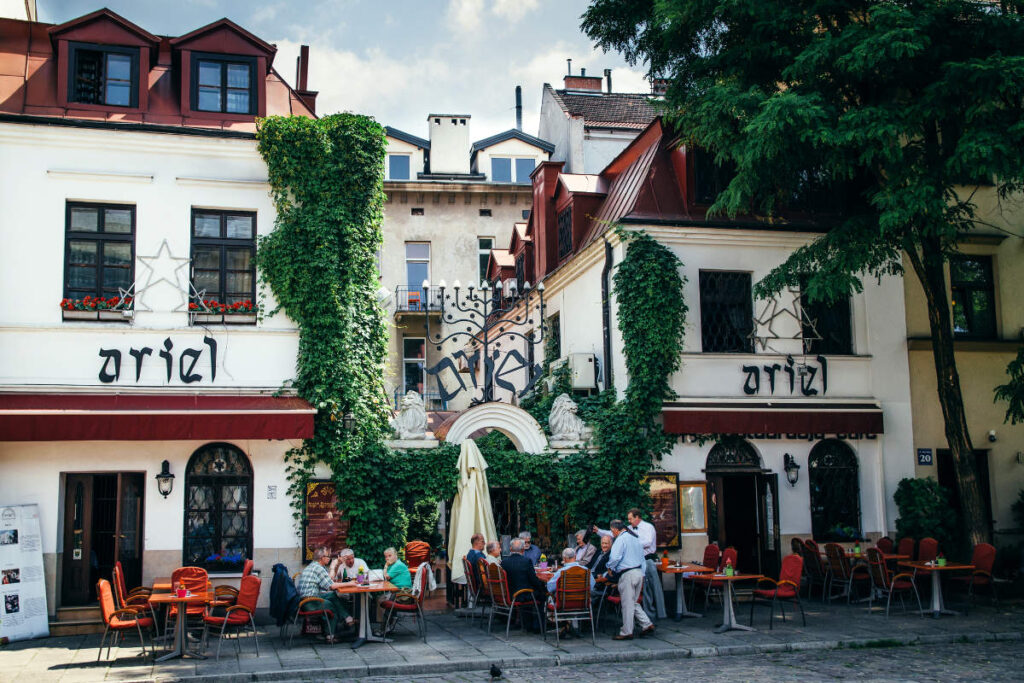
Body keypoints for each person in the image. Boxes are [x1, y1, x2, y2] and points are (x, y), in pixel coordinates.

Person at [605, 519, 654, 640]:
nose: (612, 533)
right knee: (633, 602)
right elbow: (642, 558)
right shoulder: (635, 538)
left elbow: (615, 557)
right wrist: (642, 573)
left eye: (612, 531)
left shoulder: (620, 539)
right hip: (638, 572)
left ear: (615, 529)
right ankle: (646, 624)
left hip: (627, 573)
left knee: (627, 604)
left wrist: (610, 567)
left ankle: (626, 632)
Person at [296, 547, 356, 641]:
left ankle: (348, 618)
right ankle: (330, 635)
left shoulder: (315, 566)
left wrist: (336, 565)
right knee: (332, 606)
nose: (329, 558)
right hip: (310, 602)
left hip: (307, 599)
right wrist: (350, 583)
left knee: (332, 595)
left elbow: (330, 579)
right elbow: (332, 586)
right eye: (328, 556)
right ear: (322, 558)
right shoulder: (318, 568)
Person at [628, 507, 667, 620]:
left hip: (647, 560)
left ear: (637, 517)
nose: (629, 521)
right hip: (637, 561)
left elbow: (648, 542)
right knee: (643, 588)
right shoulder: (630, 528)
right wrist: (599, 531)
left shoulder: (648, 527)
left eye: (630, 519)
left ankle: (655, 615)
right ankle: (646, 615)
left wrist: (633, 544)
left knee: (651, 588)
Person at [502, 538, 547, 631]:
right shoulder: (526, 561)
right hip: (522, 595)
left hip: (508, 594)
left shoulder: (504, 562)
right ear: (523, 550)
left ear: (510, 549)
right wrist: (542, 588)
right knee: (542, 594)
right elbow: (533, 580)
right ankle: (538, 626)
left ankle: (527, 623)